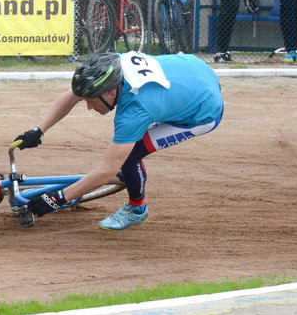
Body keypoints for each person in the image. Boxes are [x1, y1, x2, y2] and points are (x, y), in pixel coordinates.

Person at [13, 52, 223, 231]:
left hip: (202, 111)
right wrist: (39, 130)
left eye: (92, 101)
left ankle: (136, 209)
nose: (88, 108)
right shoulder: (111, 69)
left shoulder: (135, 112)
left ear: (112, 92)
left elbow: (107, 171)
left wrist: (58, 198)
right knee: (125, 148)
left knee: (129, 155)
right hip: (193, 71)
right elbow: (73, 96)